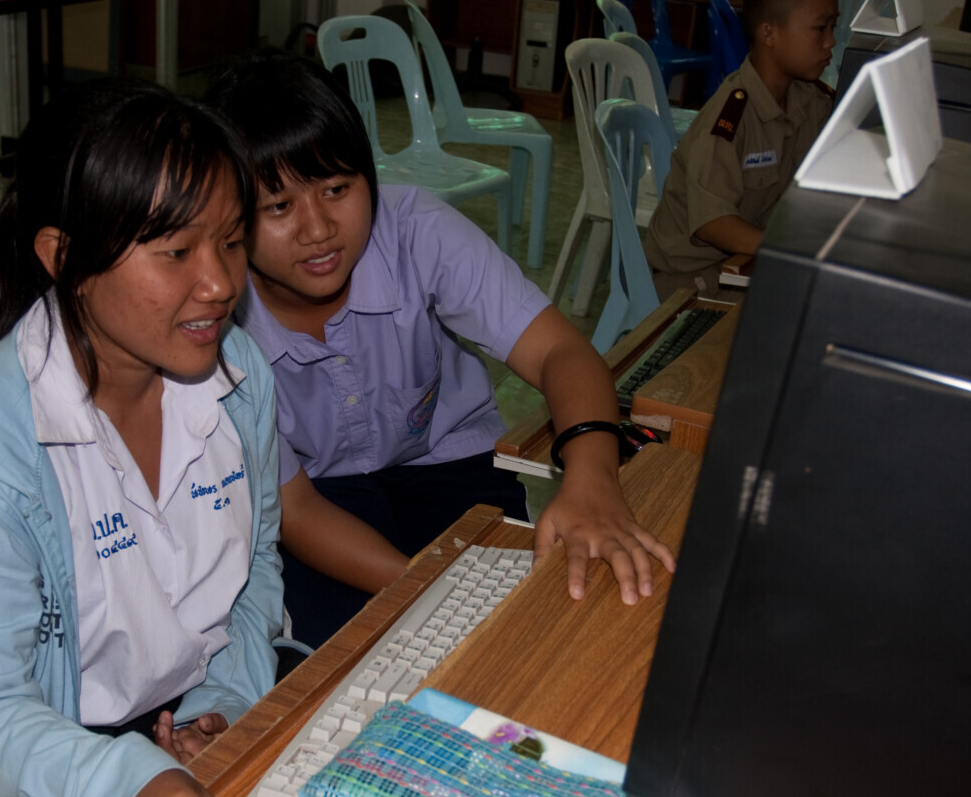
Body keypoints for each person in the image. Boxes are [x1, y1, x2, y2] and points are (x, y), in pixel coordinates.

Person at [0, 79, 284, 797]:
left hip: (188, 729)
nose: (219, 284)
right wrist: (130, 780)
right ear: (63, 258)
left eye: (234, 241)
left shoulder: (239, 381)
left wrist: (225, 705)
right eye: (175, 253)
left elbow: (255, 572)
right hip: (44, 785)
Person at [209, 50, 676, 649]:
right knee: (350, 649)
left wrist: (591, 481)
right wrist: (431, 586)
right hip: (319, 499)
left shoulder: (413, 229)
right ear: (228, 218)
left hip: (446, 460)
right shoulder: (220, 318)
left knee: (548, 613)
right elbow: (296, 513)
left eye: (337, 187)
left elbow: (561, 351)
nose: (318, 228)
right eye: (278, 207)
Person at [643, 0, 845, 297]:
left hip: (746, 262)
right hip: (691, 279)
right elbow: (713, 223)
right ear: (768, 32)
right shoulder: (729, 118)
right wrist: (790, 251)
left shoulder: (811, 101)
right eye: (819, 28)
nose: (831, 41)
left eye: (833, 28)